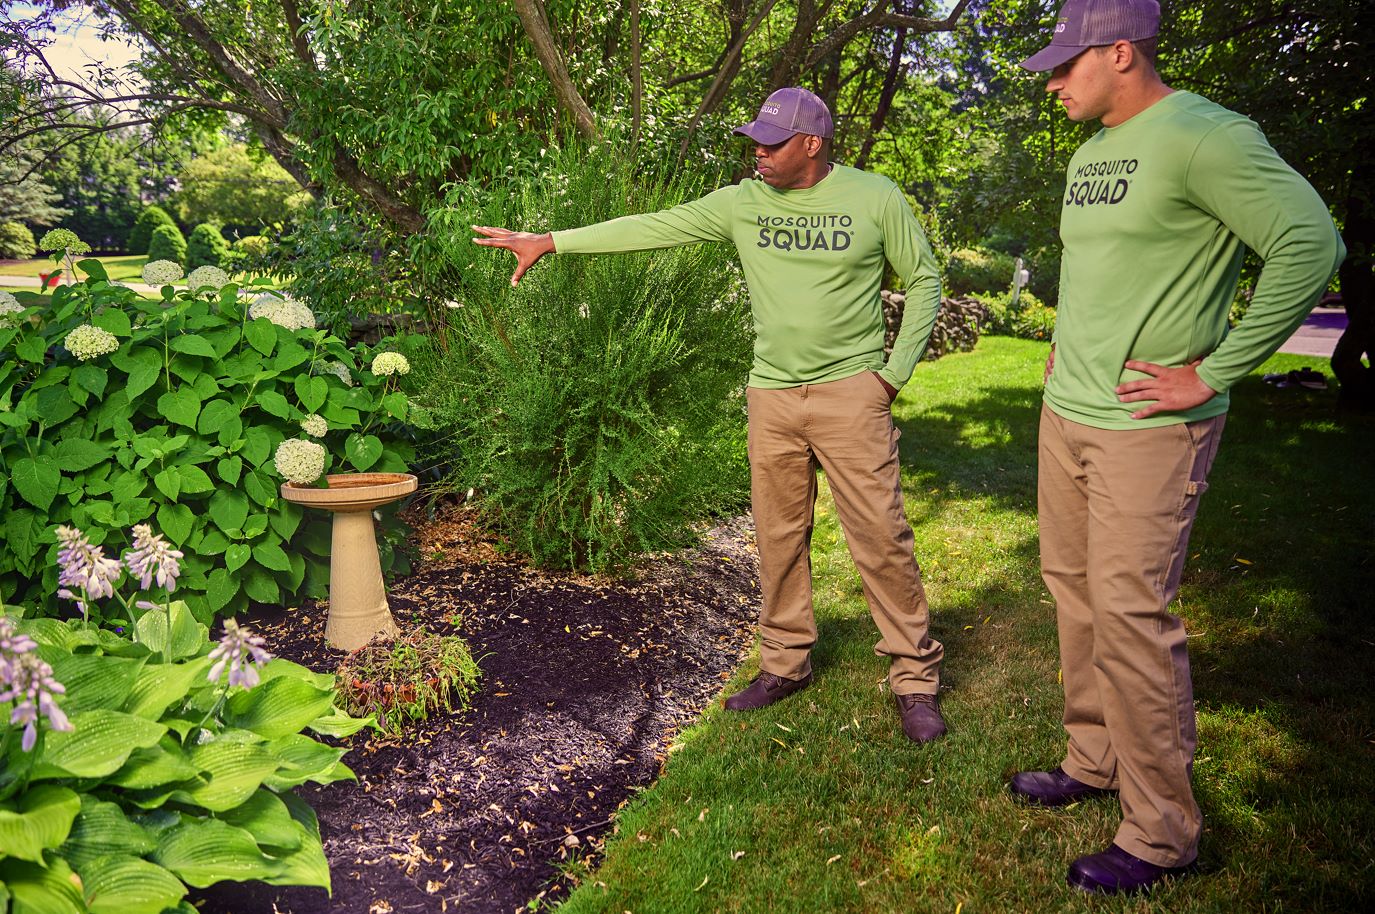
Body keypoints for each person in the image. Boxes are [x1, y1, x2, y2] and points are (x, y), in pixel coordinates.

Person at [473, 87, 949, 743]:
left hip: (851, 393)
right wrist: (551, 241)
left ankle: (914, 680)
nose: (759, 152)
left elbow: (923, 279)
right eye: (754, 140)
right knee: (778, 537)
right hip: (772, 396)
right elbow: (654, 226)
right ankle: (785, 663)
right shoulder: (741, 202)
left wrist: (891, 376)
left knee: (881, 538)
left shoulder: (875, 197)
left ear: (812, 144)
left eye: (772, 143)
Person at [1013, 0, 1345, 896]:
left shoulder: (1205, 136)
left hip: (1147, 429)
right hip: (1069, 411)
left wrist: (1218, 370)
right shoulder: (1091, 153)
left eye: (1064, 65)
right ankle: (1092, 760)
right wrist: (1068, 341)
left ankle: (1161, 831)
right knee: (1073, 595)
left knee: (1130, 617)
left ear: (1120, 51)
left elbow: (1309, 243)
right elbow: (1107, 268)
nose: (1051, 83)